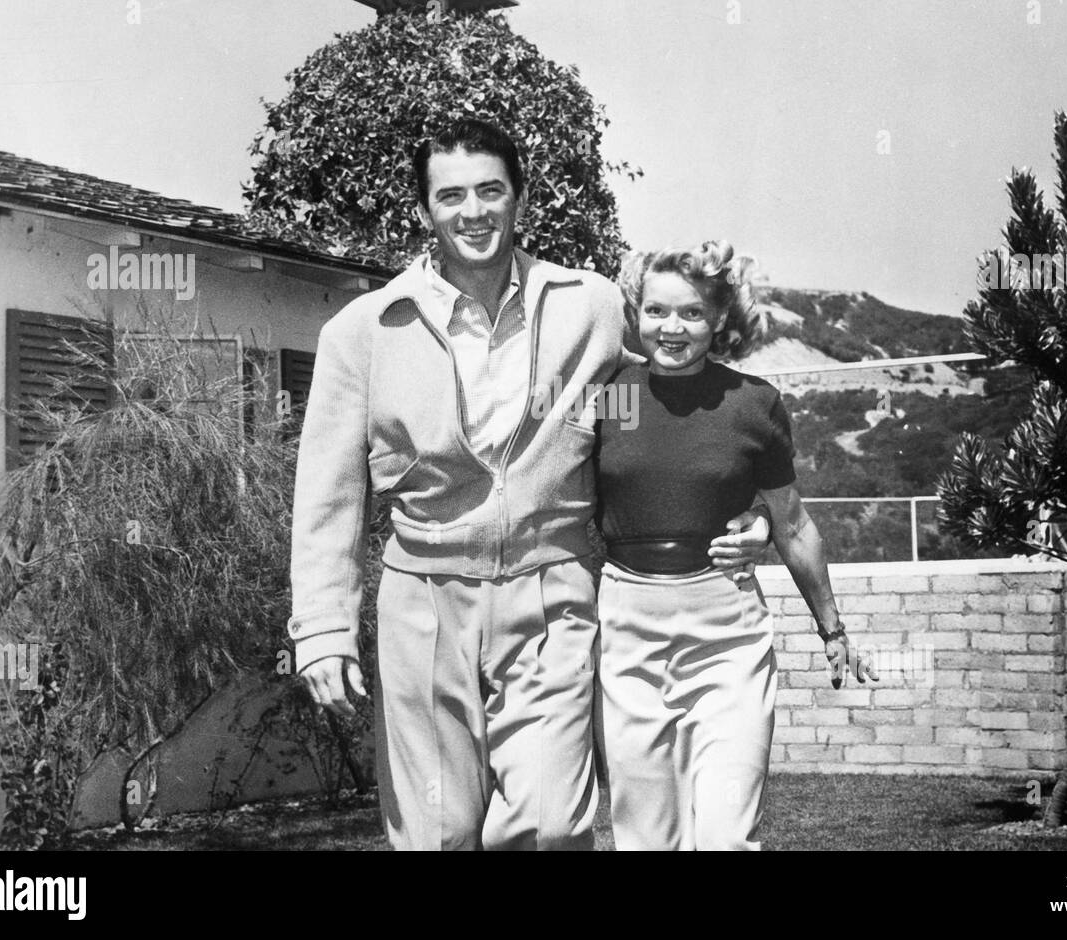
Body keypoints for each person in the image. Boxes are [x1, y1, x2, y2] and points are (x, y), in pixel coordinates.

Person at [286, 119, 771, 850]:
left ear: (519, 199)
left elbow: (682, 402)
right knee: (436, 829)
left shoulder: (593, 307)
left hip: (552, 594)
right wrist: (322, 629)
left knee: (548, 824)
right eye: (451, 196)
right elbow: (327, 493)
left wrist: (752, 512)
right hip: (423, 599)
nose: (473, 211)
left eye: (491, 191)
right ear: (424, 210)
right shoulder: (365, 331)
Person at [592, 240, 871, 851]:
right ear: (636, 313)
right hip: (626, 631)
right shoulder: (614, 397)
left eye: (691, 313)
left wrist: (833, 629)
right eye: (657, 311)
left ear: (720, 319)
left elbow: (793, 523)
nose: (672, 328)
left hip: (726, 634)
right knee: (645, 838)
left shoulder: (752, 403)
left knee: (724, 836)